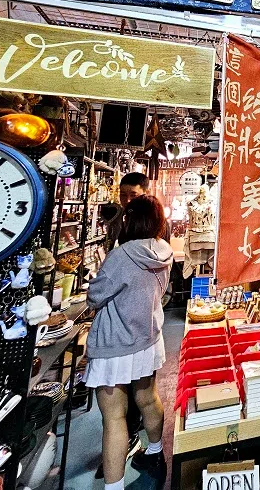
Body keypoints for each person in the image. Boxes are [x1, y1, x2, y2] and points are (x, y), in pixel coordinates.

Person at [85, 196, 173, 489]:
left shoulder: (122, 256)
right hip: (148, 336)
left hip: (115, 343)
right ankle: (155, 452)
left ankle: (113, 485)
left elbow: (95, 295)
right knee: (149, 398)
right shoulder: (163, 251)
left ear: (129, 219)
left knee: (113, 417)